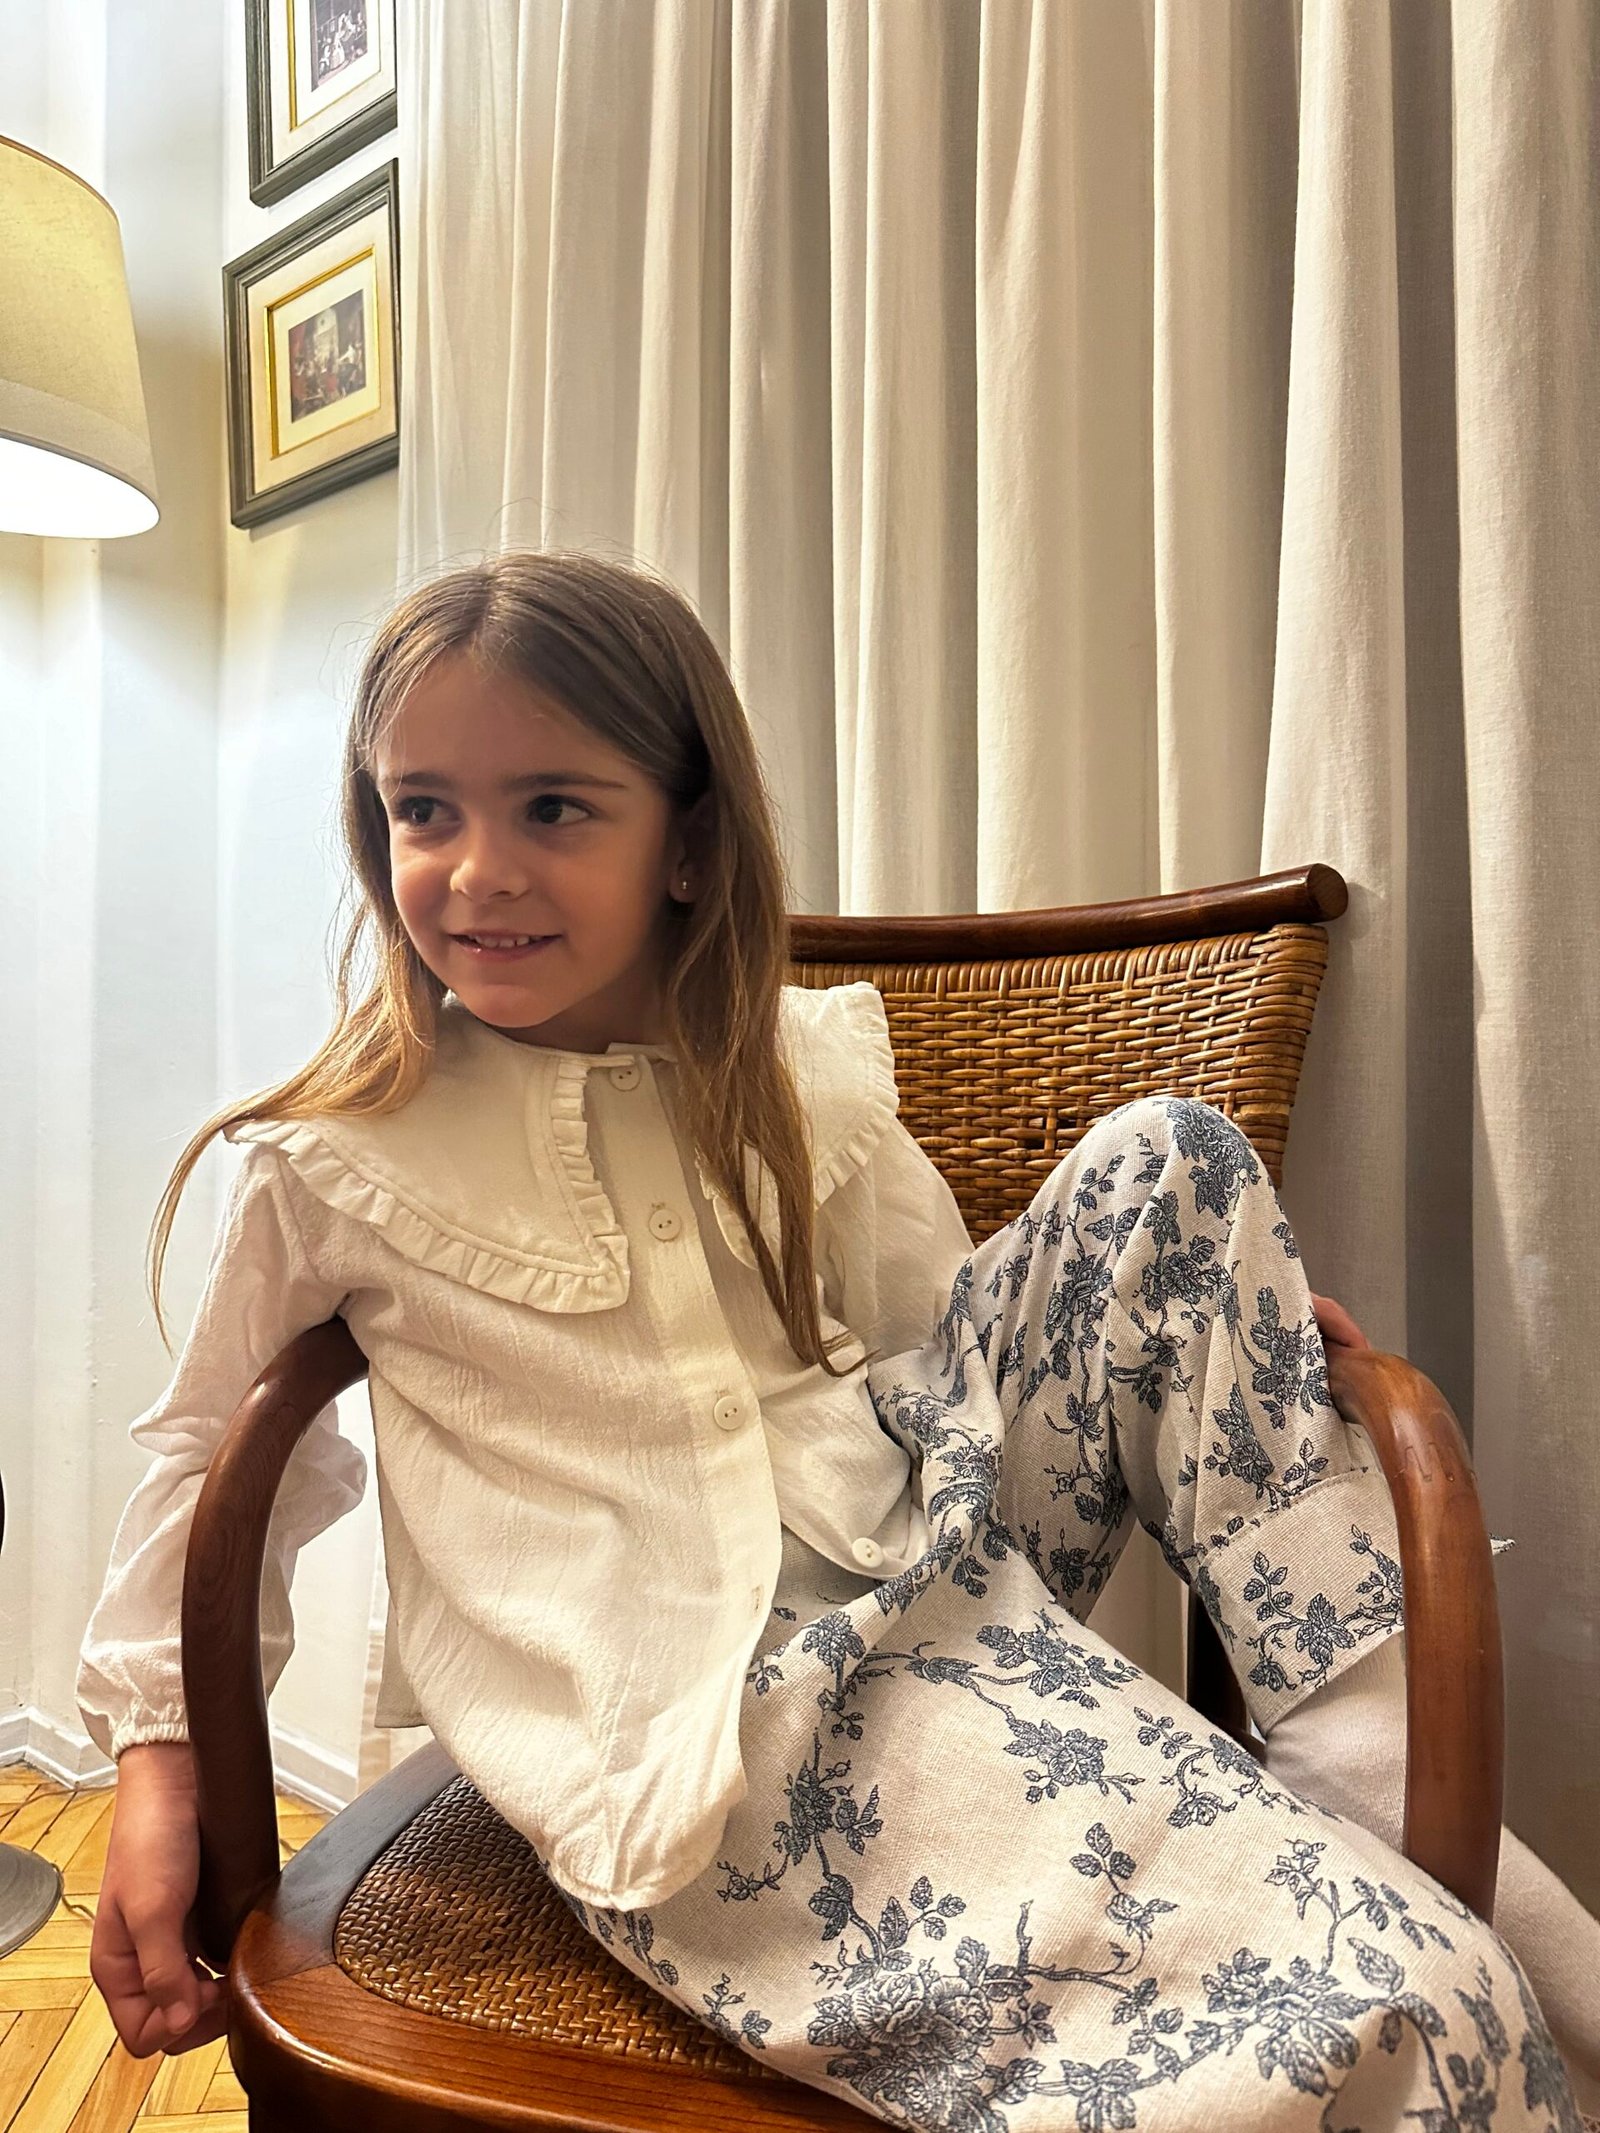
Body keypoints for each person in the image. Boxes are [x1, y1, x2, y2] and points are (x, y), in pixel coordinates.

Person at [75, 550, 1595, 2128]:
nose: (475, 870)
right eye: (423, 809)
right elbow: (206, 1459)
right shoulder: (340, 1157)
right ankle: (1403, 1902)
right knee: (1432, 2006)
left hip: (935, 1572)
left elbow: (940, 1352)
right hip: (713, 1745)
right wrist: (160, 1768)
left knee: (1176, 1159)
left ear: (687, 843)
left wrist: (1215, 1306)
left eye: (553, 807)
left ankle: (1357, 1748)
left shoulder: (798, 1076)